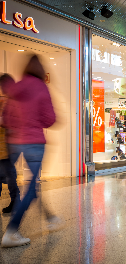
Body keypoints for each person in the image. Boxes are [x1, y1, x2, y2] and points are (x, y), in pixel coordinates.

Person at [1, 55, 59, 248]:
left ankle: (50, 217)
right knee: (31, 187)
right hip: (34, 143)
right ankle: (12, 231)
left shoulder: (16, 88)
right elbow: (50, 119)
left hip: (15, 142)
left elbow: (6, 119)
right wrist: (35, 121)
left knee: (21, 184)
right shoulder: (41, 87)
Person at [0, 74, 20, 214]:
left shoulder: (13, 101)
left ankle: (16, 201)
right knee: (6, 174)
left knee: (9, 174)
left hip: (8, 146)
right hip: (4, 146)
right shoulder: (6, 100)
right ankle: (15, 201)